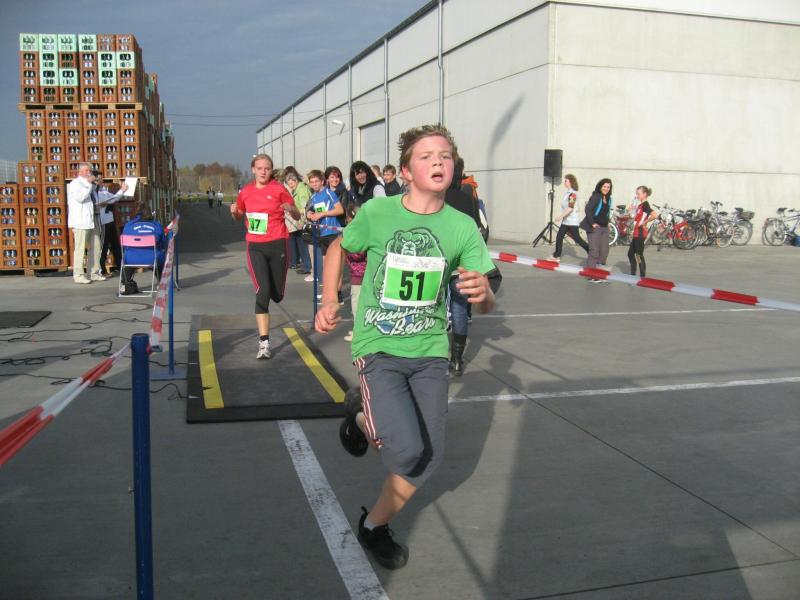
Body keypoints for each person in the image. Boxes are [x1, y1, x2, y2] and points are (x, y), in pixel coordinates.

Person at [315, 124, 496, 570]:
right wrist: (329, 299)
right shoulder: (378, 212)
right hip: (379, 345)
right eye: (426, 156)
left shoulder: (462, 227)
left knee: (426, 458)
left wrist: (483, 294)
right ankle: (364, 415)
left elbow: (485, 299)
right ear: (407, 171)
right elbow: (338, 247)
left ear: (454, 167)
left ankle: (373, 525)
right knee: (405, 449)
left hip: (430, 352)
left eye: (445, 155)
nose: (438, 162)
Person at [230, 154, 301, 359]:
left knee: (276, 295)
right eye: (259, 168)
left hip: (278, 244)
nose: (263, 172)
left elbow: (297, 215)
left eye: (267, 168)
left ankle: (274, 292)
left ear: (271, 170)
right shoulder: (246, 192)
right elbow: (238, 215)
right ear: (253, 169)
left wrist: (291, 209)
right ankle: (264, 342)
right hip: (255, 246)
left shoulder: (279, 189)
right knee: (262, 293)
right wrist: (233, 211)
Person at [306, 169, 345, 291]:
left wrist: (322, 214)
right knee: (327, 265)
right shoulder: (313, 196)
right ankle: (329, 293)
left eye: (316, 181)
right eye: (312, 182)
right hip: (322, 233)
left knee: (335, 265)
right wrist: (309, 214)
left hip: (333, 232)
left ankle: (337, 293)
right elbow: (311, 210)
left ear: (322, 181)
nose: (314, 184)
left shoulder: (329, 193)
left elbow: (340, 210)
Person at [67, 163, 105, 284]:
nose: (89, 172)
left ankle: (93, 272)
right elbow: (81, 198)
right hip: (81, 222)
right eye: (86, 170)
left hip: (92, 220)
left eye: (90, 170)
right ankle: (78, 275)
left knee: (96, 246)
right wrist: (89, 183)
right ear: (80, 172)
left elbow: (94, 199)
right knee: (80, 249)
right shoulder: (74, 184)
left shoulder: (91, 185)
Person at [120, 201, 167, 293]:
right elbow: (163, 243)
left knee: (128, 259)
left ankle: (124, 284)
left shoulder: (128, 225)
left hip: (131, 259)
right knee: (160, 257)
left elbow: (125, 245)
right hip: (152, 258)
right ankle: (162, 283)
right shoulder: (156, 225)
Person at [550, 173, 589, 261]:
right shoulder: (568, 193)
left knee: (577, 239)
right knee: (559, 237)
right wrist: (563, 217)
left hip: (571, 221)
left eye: (566, 181)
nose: (564, 182)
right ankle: (556, 256)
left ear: (570, 182)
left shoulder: (572, 194)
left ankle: (592, 252)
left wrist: (560, 216)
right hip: (566, 221)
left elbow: (570, 208)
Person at [581, 178, 613, 282]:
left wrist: (608, 223)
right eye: (604, 186)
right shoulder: (596, 196)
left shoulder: (609, 198)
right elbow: (588, 209)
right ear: (600, 186)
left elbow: (606, 213)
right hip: (594, 227)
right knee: (594, 251)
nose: (606, 189)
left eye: (608, 187)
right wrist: (593, 223)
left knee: (604, 251)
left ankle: (599, 273)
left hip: (604, 227)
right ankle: (591, 275)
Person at [343, 203, 366, 342]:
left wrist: (345, 248)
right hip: (362, 274)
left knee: (357, 305)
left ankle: (359, 333)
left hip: (359, 275)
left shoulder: (357, 232)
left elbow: (357, 253)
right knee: (360, 304)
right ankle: (360, 330)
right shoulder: (366, 229)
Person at [98, 180, 129, 276]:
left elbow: (114, 198)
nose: (100, 182)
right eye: (97, 180)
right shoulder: (97, 194)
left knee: (115, 244)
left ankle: (120, 266)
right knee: (104, 246)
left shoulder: (104, 192)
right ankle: (102, 269)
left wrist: (122, 190)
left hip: (110, 220)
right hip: (103, 222)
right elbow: (113, 199)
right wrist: (122, 190)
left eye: (101, 180)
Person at [283, 172, 312, 274]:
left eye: (291, 183)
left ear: (296, 181)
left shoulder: (301, 190)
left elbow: (304, 206)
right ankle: (306, 265)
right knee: (302, 244)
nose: (291, 186)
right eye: (289, 184)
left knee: (304, 245)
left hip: (303, 220)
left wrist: (301, 219)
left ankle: (307, 266)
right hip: (301, 219)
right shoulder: (298, 189)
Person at [628, 185, 657, 278]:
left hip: (640, 233)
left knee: (638, 255)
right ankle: (633, 275)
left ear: (645, 194)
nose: (637, 195)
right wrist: (630, 210)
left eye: (638, 194)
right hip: (636, 233)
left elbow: (654, 215)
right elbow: (635, 218)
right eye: (636, 194)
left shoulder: (645, 205)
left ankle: (642, 277)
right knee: (630, 254)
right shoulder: (640, 205)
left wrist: (644, 222)